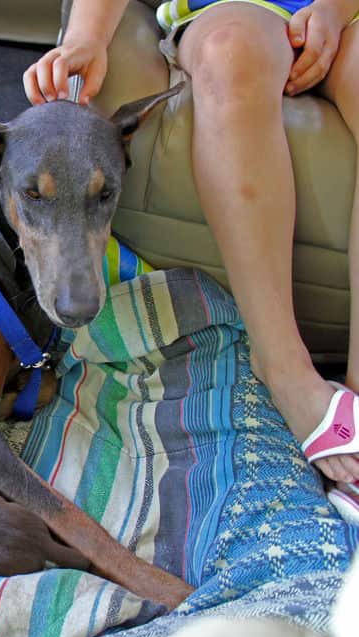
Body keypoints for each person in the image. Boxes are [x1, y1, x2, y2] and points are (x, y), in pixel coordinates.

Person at [23, 0, 359, 504]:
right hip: (233, 10)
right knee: (233, 51)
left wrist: (334, 11)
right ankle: (285, 370)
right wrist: (85, 37)